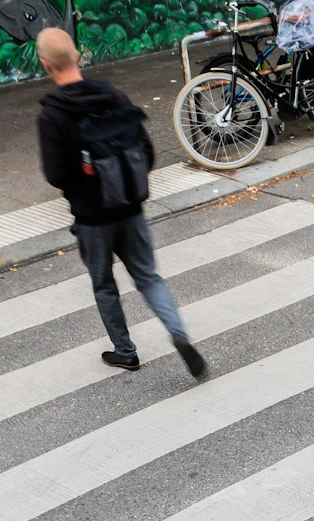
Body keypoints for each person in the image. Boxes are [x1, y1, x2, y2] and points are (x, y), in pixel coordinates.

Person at [34, 28, 207, 378]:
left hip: (91, 219)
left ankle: (125, 352)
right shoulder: (112, 95)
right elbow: (147, 152)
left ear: (45, 65)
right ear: (78, 55)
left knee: (104, 285)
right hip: (130, 209)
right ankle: (178, 334)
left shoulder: (53, 114)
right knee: (148, 277)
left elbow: (55, 174)